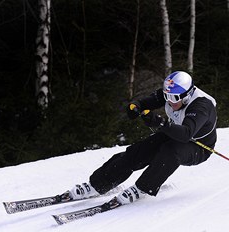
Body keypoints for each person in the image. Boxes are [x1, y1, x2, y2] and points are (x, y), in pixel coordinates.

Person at [65, 71, 217, 205]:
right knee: (138, 151)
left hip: (199, 146)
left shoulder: (201, 106)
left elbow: (186, 134)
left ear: (187, 95)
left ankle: (143, 187)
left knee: (170, 152)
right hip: (174, 133)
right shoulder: (172, 95)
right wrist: (135, 107)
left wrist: (161, 123)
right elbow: (146, 102)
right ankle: (97, 184)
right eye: (167, 96)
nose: (170, 100)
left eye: (174, 97)